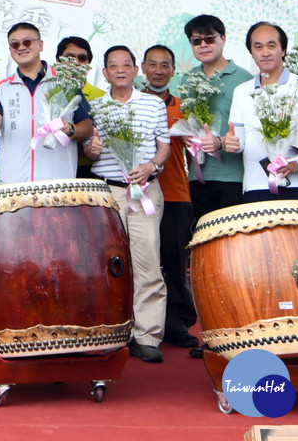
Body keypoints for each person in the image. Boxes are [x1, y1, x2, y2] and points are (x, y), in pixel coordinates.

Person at [84, 45, 171, 363]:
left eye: (126, 64)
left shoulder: (152, 104)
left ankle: (146, 336)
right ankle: (110, 331)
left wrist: (151, 166)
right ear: (105, 73)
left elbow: (164, 146)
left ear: (136, 70)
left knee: (147, 261)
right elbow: (90, 153)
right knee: (106, 266)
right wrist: (93, 149)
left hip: (145, 190)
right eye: (112, 66)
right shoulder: (95, 106)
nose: (120, 70)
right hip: (108, 194)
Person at [223, 22, 298, 201]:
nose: (265, 52)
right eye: (258, 47)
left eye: (271, 46)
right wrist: (229, 144)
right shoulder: (242, 91)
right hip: (255, 185)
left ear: (283, 50)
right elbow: (238, 142)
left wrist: (297, 164)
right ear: (251, 53)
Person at [141, 44, 199, 350]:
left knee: (176, 261)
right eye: (153, 64)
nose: (159, 71)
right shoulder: (132, 103)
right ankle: (140, 324)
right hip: (137, 194)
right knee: (142, 261)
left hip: (176, 191)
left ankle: (177, 324)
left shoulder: (186, 106)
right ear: (142, 68)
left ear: (173, 71)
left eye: (165, 65)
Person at [0, 22, 92, 183]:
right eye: (15, 44)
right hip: (14, 184)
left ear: (40, 45)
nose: (21, 47)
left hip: (58, 182)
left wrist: (70, 129)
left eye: (27, 42)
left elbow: (87, 126)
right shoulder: (2, 88)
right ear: (10, 49)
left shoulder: (65, 82)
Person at [182, 15, 250, 217]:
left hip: (234, 176)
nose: (203, 45)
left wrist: (220, 141)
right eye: (196, 41)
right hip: (198, 176)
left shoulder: (244, 79)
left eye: (209, 39)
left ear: (223, 39)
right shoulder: (188, 79)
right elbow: (188, 121)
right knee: (204, 238)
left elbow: (251, 129)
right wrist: (186, 136)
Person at [56, 36, 106, 179]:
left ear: (89, 64)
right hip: (57, 167)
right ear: (59, 62)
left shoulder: (103, 98)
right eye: (70, 58)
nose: (76, 63)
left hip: (92, 169)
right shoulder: (49, 92)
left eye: (82, 58)